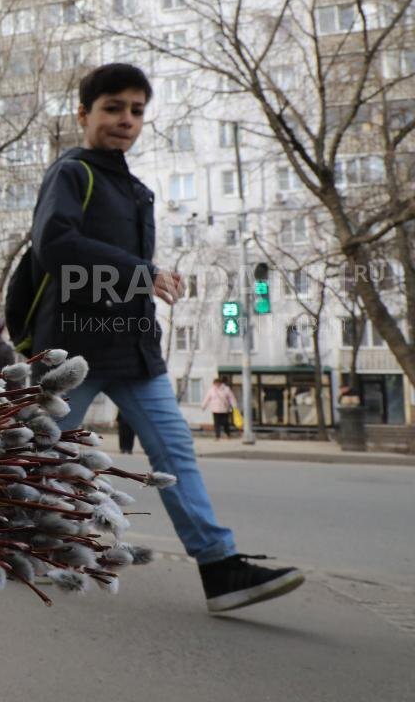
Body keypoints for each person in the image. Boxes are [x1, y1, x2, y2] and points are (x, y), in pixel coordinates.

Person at [26, 63, 303, 613]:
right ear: (84, 114)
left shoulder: (138, 191)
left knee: (176, 454)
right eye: (112, 108)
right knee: (40, 455)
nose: (125, 120)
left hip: (134, 350)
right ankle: (9, 540)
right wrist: (139, 270)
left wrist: (145, 282)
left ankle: (220, 569)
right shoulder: (71, 174)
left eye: (136, 110)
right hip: (75, 349)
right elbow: (53, 245)